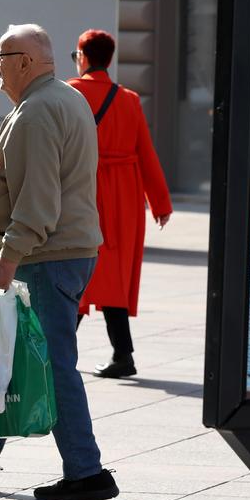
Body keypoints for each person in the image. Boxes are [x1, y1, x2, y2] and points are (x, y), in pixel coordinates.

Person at [0, 23, 119, 500]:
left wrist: (8, 258)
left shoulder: (36, 112)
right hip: (61, 253)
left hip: (45, 257)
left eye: (1, 58)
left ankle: (87, 472)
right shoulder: (64, 98)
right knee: (18, 355)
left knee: (53, 365)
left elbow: (37, 199)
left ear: (26, 62)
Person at [67, 29, 173, 378]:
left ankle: (54, 352)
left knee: (72, 270)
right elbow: (147, 153)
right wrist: (160, 203)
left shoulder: (69, 93)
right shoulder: (128, 99)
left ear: (83, 56)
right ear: (109, 59)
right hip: (123, 199)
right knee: (111, 275)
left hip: (81, 190)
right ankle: (121, 355)